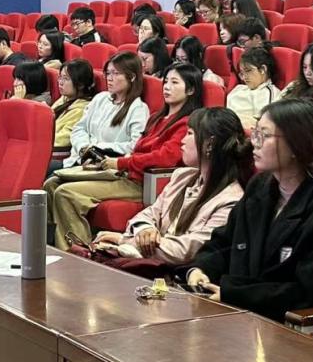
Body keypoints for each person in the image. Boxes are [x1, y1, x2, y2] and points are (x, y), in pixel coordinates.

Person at [185, 98, 313, 321]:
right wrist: (200, 269)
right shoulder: (260, 185)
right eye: (255, 134)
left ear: (297, 144)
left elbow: (310, 293)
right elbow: (226, 242)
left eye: (265, 136)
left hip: (282, 325)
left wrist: (234, 295)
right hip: (237, 314)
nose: (254, 143)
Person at [50, 64, 202, 247]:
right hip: (126, 173)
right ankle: (50, 246)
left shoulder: (186, 123)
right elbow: (138, 148)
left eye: (175, 82)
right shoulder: (157, 117)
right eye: (166, 82)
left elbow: (164, 157)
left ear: (191, 90)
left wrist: (122, 163)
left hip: (143, 182)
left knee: (65, 193)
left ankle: (79, 252)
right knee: (52, 183)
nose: (167, 87)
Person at [91, 107, 251, 267]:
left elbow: (186, 252)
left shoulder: (230, 200)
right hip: (151, 263)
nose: (182, 140)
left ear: (210, 144)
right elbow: (149, 214)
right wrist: (145, 230)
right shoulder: (181, 176)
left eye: (189, 134)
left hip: (179, 274)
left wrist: (124, 241)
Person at [50, 59, 96, 153]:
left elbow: (62, 140)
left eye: (66, 79)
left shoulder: (82, 109)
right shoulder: (65, 98)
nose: (60, 82)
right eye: (60, 77)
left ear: (80, 84)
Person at [226, 47, 279, 128]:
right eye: (242, 73)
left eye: (248, 71)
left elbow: (262, 123)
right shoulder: (238, 89)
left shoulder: (270, 93)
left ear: (263, 69)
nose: (244, 78)